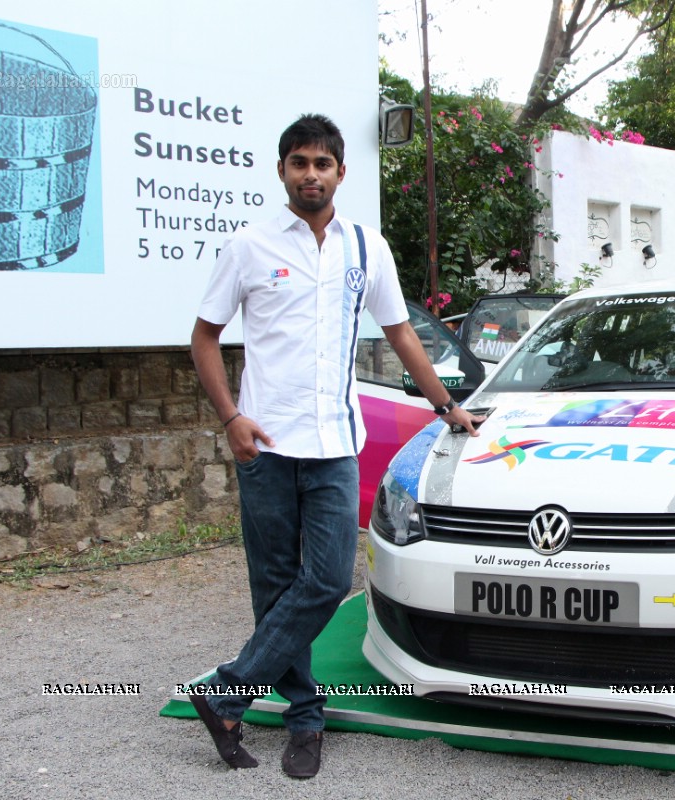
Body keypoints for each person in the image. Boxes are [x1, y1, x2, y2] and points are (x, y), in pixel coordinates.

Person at [188, 113, 482, 778]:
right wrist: (231, 417)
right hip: (263, 445)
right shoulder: (249, 246)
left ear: (340, 173)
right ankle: (303, 718)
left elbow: (401, 333)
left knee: (325, 579)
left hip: (333, 445)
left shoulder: (365, 247)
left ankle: (228, 693)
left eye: (323, 164)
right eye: (299, 163)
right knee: (273, 587)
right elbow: (205, 337)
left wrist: (446, 404)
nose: (311, 174)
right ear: (283, 170)